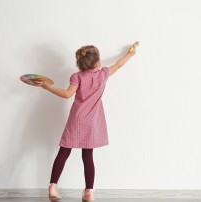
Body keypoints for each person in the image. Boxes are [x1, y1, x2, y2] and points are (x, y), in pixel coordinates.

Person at [36, 43, 137, 202]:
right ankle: (89, 192)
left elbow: (67, 94)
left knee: (64, 152)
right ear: (97, 62)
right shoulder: (103, 74)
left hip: (76, 120)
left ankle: (53, 187)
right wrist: (130, 54)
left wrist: (49, 87)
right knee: (88, 155)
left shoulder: (77, 77)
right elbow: (118, 65)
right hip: (92, 122)